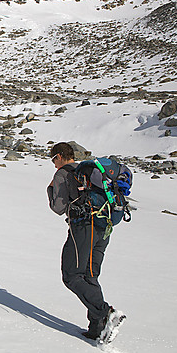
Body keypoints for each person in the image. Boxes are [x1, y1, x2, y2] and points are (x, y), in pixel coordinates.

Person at [47, 142, 116, 340]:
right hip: (104, 227)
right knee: (89, 275)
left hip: (83, 227)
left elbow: (58, 207)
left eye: (53, 159)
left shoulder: (63, 174)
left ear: (60, 156)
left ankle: (105, 312)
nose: (53, 164)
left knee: (72, 275)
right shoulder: (86, 171)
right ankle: (96, 329)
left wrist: (49, 189)